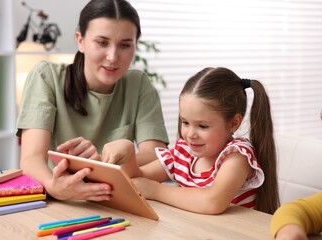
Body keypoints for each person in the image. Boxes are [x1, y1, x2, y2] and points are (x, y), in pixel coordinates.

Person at [16, 0, 169, 201]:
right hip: (61, 200)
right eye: (102, 42)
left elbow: (157, 158)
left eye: (125, 45)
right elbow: (31, 158)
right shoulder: (46, 77)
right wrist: (54, 186)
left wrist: (99, 160)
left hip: (117, 200)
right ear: (80, 40)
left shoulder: (139, 84)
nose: (113, 57)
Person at [102, 67, 280, 214]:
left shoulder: (237, 156)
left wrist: (155, 190)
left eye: (202, 126)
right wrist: (127, 153)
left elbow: (212, 202)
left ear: (233, 123)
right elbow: (137, 181)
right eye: (185, 122)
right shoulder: (183, 151)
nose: (190, 134)